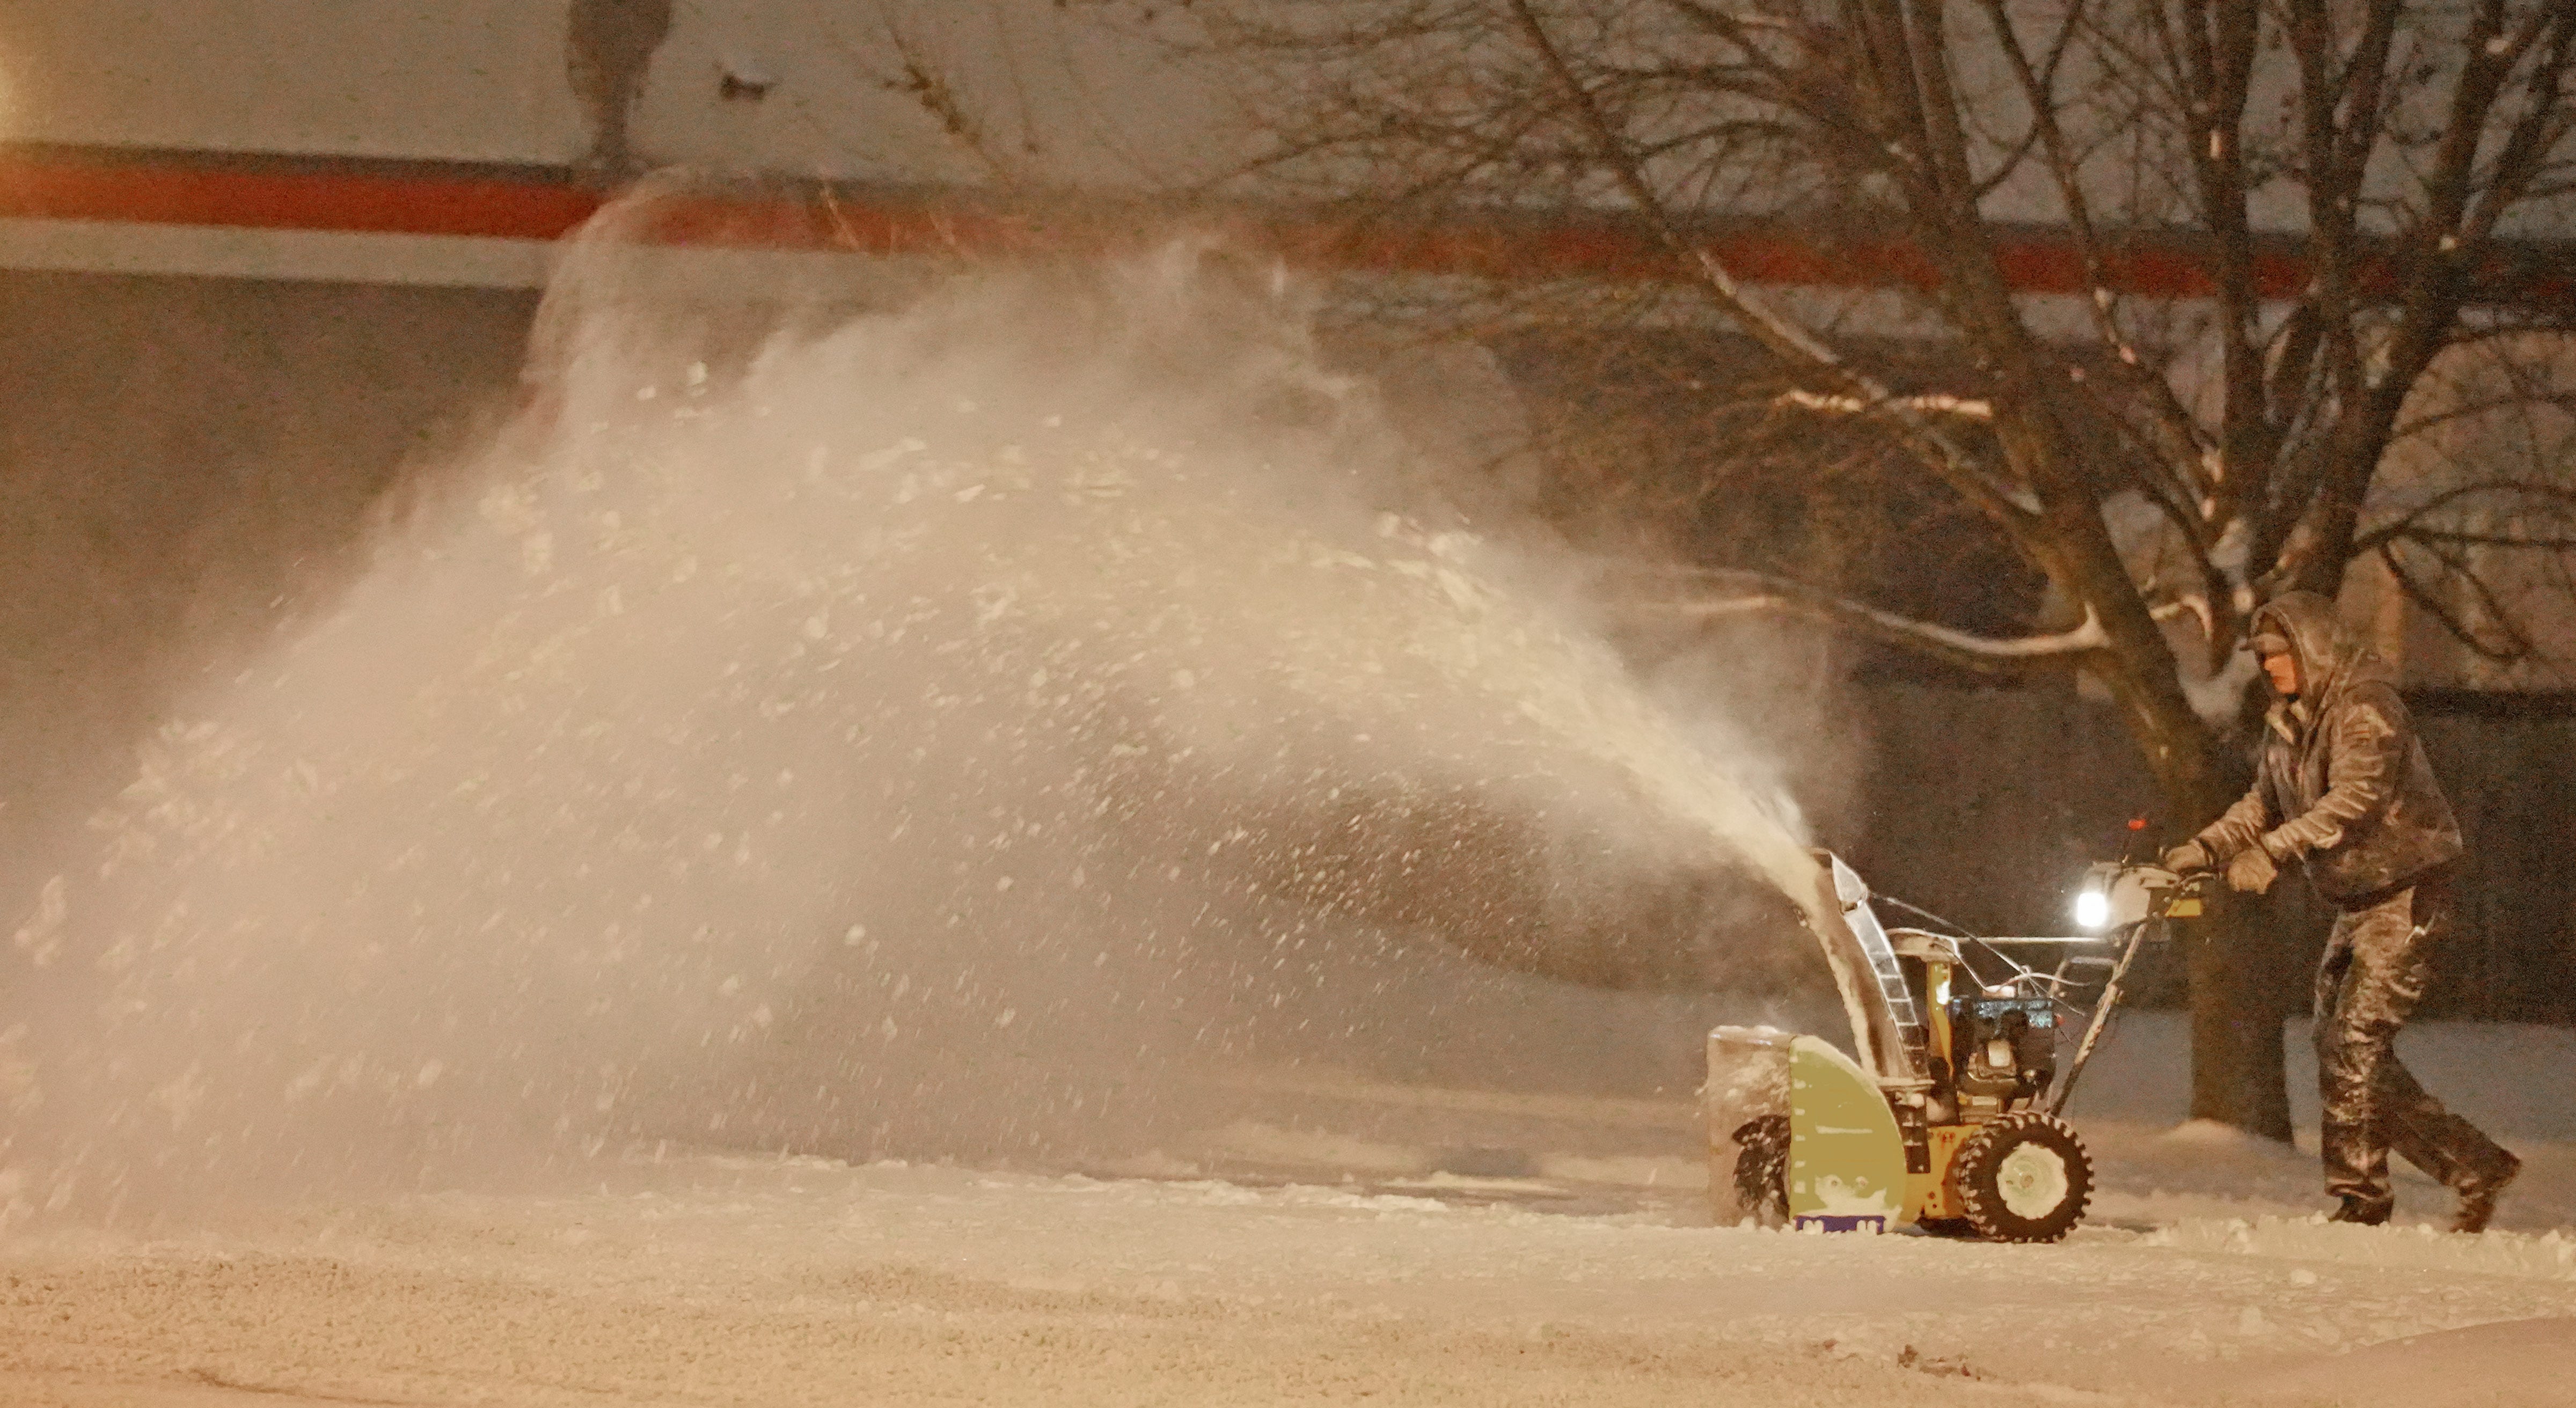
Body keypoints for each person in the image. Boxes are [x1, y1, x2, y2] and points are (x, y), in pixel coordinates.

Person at [2161, 591, 2520, 1232]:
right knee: (2342, 1047)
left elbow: (2354, 800)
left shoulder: (2366, 709)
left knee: (2354, 1041)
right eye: (2263, 657)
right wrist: (2205, 847)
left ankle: (2362, 1200)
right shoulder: (2291, 723)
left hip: (2408, 891)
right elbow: (2263, 801)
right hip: (2358, 898)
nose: (2269, 667)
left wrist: (2271, 853)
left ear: (2312, 648)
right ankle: (2473, 1163)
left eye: (2278, 654)